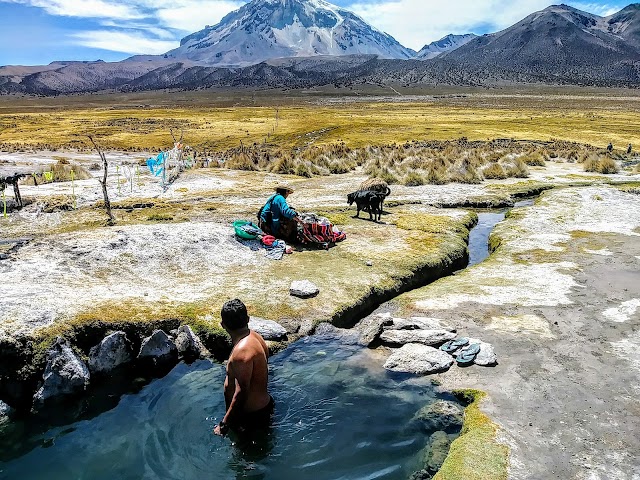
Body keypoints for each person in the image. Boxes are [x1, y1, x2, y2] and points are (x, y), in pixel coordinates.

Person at [214, 299, 273, 436]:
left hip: (251, 417)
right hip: (261, 409)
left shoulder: (242, 352)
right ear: (247, 319)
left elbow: (242, 393)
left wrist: (224, 424)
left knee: (244, 456)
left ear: (223, 325)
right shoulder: (256, 337)